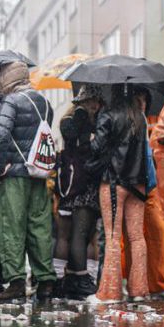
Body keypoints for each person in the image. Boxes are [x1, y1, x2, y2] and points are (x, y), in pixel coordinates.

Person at [0, 61, 56, 301]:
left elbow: (0, 134)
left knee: (12, 227)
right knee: (39, 226)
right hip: (37, 173)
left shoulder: (11, 101)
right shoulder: (44, 102)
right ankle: (46, 281)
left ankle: (16, 281)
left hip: (14, 176)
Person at [86, 84, 150, 304]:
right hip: (138, 184)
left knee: (113, 237)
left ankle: (110, 293)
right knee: (137, 237)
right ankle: (139, 290)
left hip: (113, 182)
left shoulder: (109, 115)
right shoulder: (140, 117)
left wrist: (91, 138)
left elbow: (97, 148)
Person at [56, 94, 101, 300]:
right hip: (78, 183)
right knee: (77, 233)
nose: (95, 104)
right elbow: (80, 144)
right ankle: (79, 277)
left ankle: (76, 276)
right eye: (91, 101)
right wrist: (84, 117)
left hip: (82, 182)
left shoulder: (98, 120)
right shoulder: (72, 121)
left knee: (86, 232)